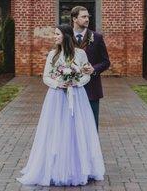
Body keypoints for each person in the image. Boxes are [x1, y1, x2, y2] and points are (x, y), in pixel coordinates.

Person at [16, 24, 105, 186]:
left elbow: (86, 76)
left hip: (77, 96)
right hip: (57, 97)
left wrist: (76, 83)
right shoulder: (53, 55)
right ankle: (55, 168)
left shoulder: (80, 54)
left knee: (76, 129)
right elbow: (46, 77)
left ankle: (78, 169)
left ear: (66, 36)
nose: (54, 37)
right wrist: (58, 84)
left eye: (57, 34)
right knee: (56, 129)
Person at [71, 6, 110, 130]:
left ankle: (93, 149)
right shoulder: (65, 37)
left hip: (92, 88)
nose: (87, 19)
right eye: (83, 16)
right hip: (70, 89)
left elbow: (106, 62)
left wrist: (94, 69)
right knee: (71, 125)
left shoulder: (97, 37)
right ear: (74, 19)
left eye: (88, 16)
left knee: (92, 125)